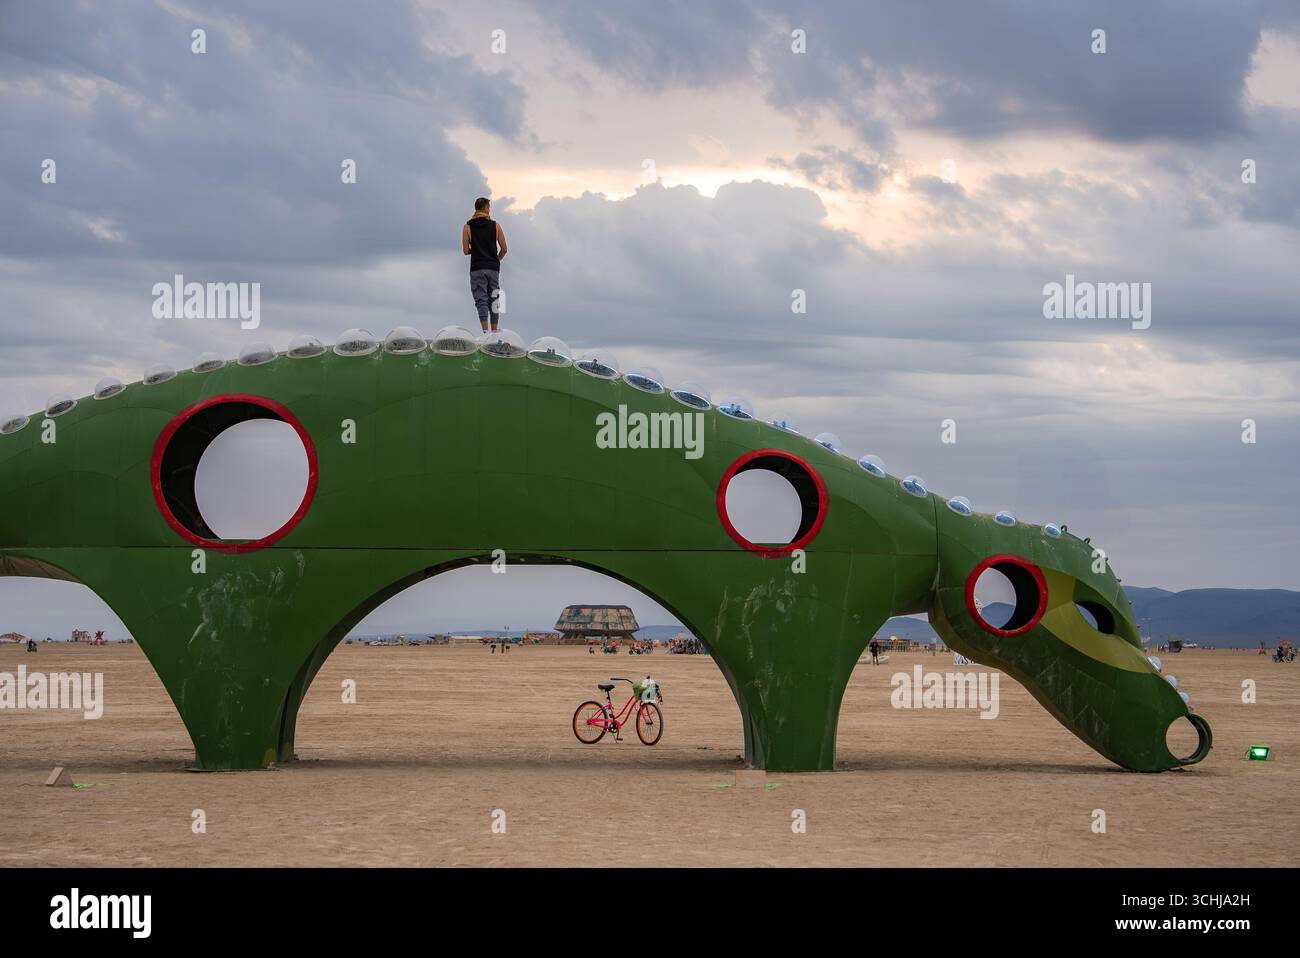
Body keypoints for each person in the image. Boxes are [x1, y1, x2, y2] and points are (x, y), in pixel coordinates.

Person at [462, 197, 507, 333]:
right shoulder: (496, 226)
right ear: (486, 208)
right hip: (493, 268)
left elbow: (465, 251)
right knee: (494, 299)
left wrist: (476, 250)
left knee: (481, 299)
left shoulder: (467, 227)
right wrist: (496, 259)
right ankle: (494, 332)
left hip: (477, 267)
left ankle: (485, 333)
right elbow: (504, 249)